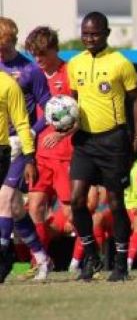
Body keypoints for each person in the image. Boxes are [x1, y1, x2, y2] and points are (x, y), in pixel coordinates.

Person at [68, 11, 137, 282]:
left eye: (95, 34)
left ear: (107, 34)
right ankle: (91, 256)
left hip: (113, 140)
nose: (90, 38)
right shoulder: (74, 63)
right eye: (85, 34)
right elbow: (73, 100)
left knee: (115, 202)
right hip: (84, 141)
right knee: (76, 200)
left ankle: (121, 263)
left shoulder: (120, 62)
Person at [0, 17, 52, 281]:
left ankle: (3, 256)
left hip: (20, 144)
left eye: (4, 46)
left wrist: (31, 132)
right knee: (16, 208)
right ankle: (42, 258)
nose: (1, 52)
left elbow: (49, 108)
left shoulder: (30, 70)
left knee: (5, 197)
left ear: (12, 41)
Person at [24, 26, 74, 271]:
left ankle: (85, 259)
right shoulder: (33, 75)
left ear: (55, 49)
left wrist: (63, 133)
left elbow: (81, 113)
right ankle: (40, 262)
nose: (38, 59)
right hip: (41, 155)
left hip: (66, 154)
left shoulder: (70, 73)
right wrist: (29, 155)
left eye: (42, 53)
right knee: (34, 207)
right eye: (34, 54)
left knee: (71, 213)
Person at [0, 69, 37, 283]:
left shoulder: (8, 84)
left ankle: (4, 256)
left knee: (4, 202)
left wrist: (30, 157)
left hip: (4, 151)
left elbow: (22, 123)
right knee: (13, 207)